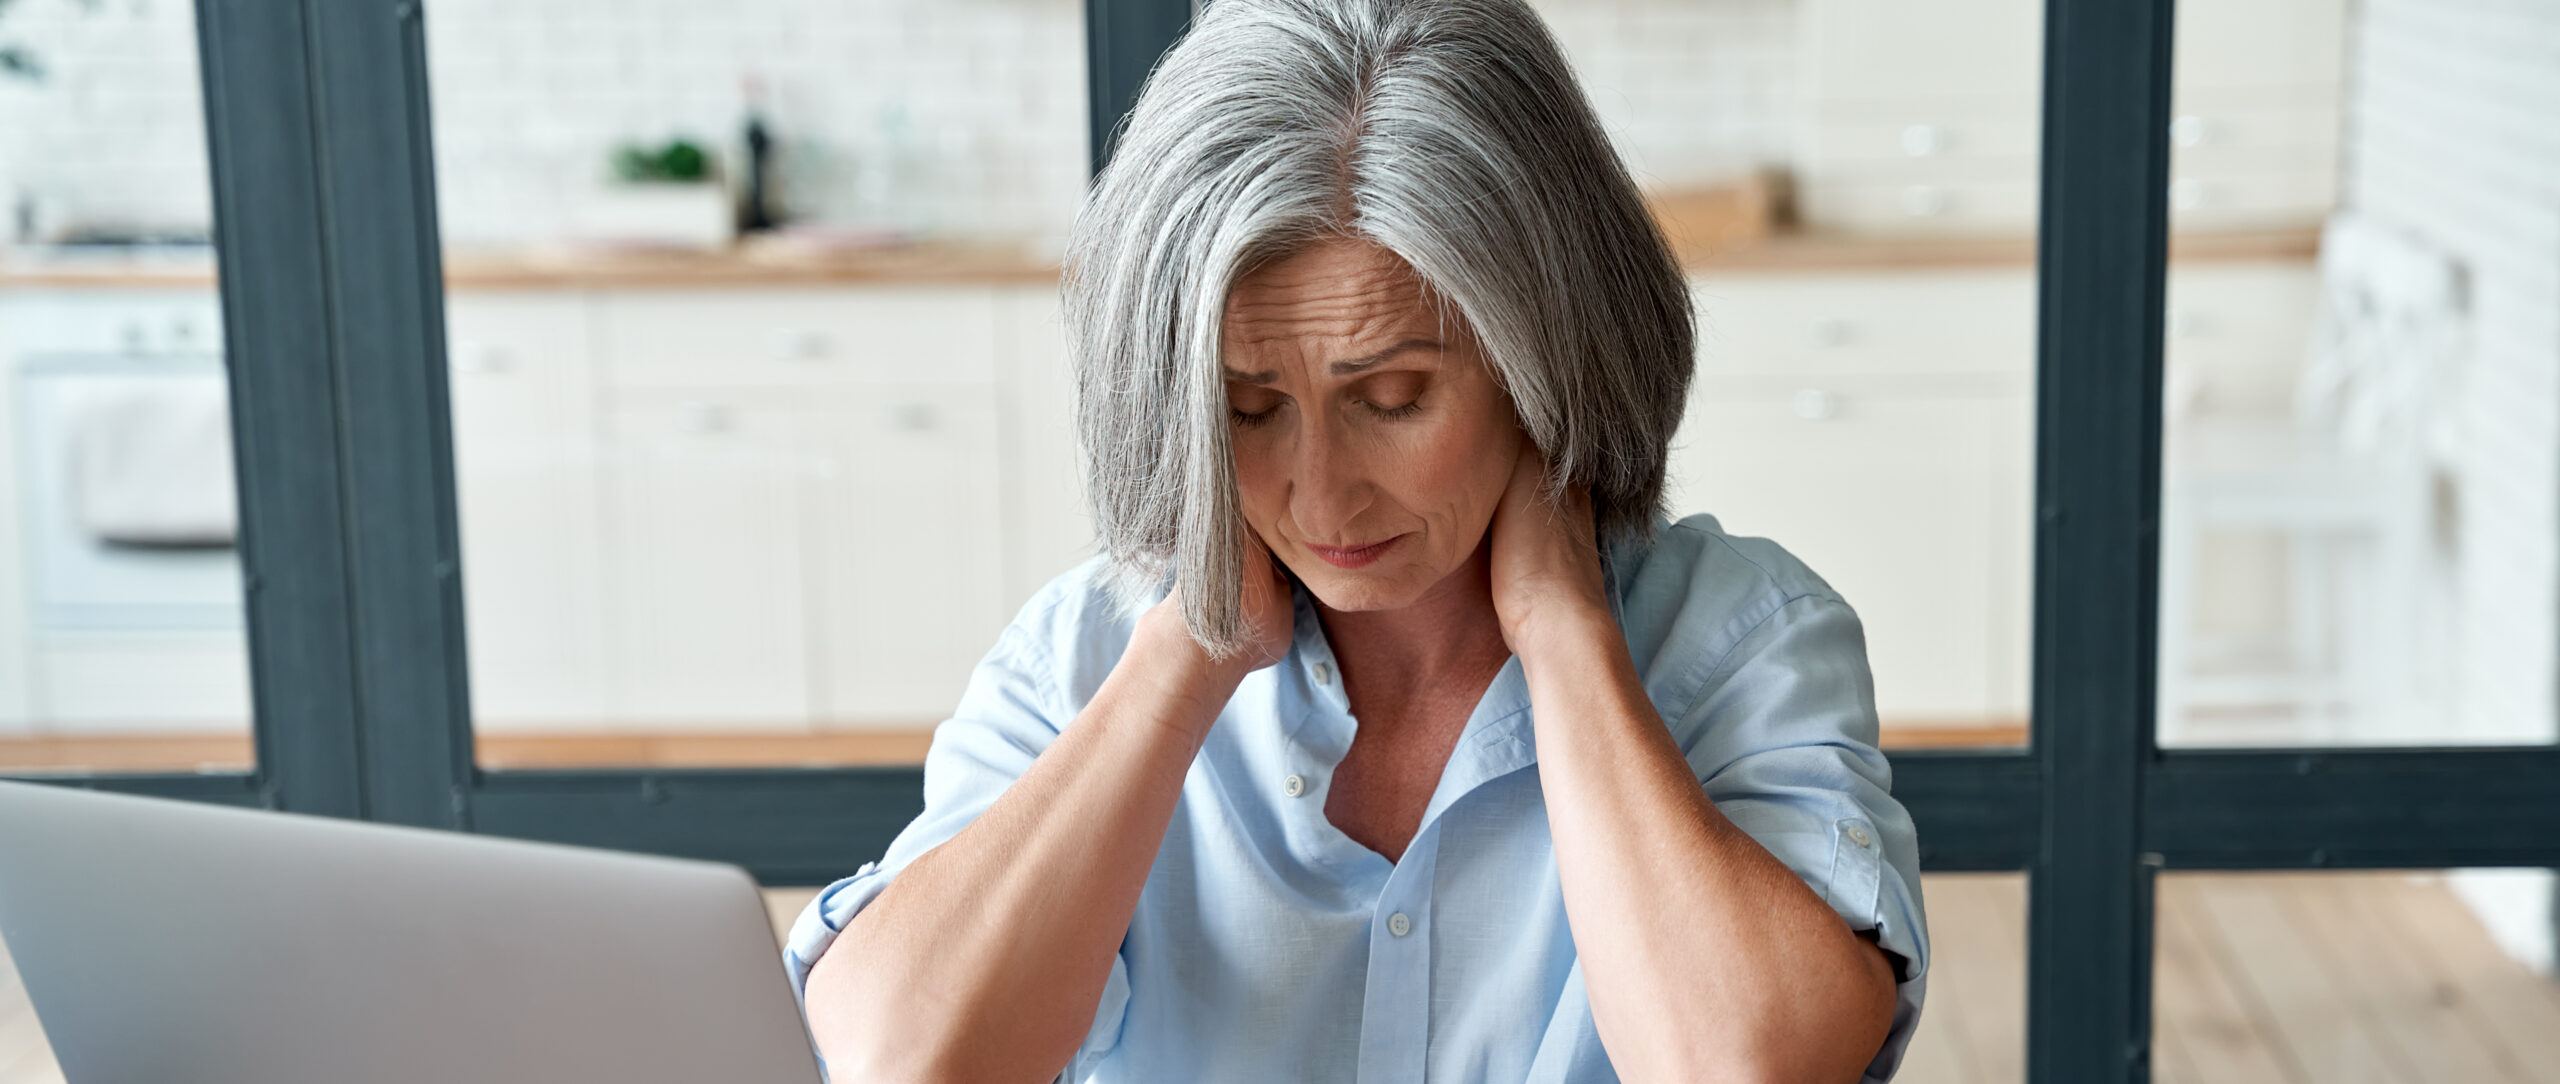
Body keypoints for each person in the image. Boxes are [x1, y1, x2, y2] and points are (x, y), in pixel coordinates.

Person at [785, 0, 1928, 1080]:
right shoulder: (1082, 659)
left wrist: (1566, 636)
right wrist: (1187, 656)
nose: (1320, 498)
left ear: (1546, 361)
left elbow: (1744, 1065)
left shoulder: (1738, 645)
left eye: (1391, 398)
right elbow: (904, 1057)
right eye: (1245, 407)